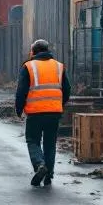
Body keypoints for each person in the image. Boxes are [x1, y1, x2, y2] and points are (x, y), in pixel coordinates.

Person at [15, 39, 71, 186]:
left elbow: (21, 91)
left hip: (35, 113)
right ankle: (49, 175)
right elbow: (67, 89)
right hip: (54, 112)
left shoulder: (28, 66)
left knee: (32, 140)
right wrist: (59, 104)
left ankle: (40, 165)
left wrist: (18, 110)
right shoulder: (59, 66)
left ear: (33, 51)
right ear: (47, 50)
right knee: (50, 144)